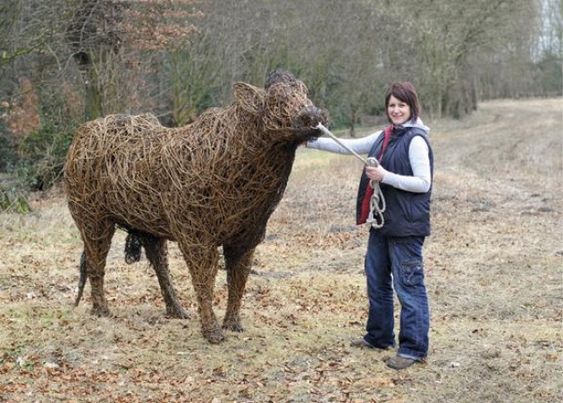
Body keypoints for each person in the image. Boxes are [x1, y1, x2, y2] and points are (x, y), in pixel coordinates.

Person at [307, 82, 433, 370]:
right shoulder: (385, 135)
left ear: (412, 107)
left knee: (408, 287)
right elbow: (347, 146)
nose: (396, 110)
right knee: (376, 281)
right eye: (392, 105)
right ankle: (379, 337)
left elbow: (423, 183)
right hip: (383, 224)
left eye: (401, 105)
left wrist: (384, 175)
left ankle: (413, 348)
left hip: (406, 228)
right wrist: (308, 139)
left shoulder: (415, 140)